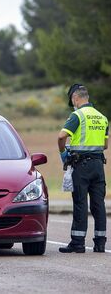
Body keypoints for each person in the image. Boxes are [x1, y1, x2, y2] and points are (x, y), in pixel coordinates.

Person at [58, 83, 108, 253]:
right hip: (98, 165)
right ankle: (100, 243)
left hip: (81, 165)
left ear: (75, 98)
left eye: (72, 100)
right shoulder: (102, 117)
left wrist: (64, 153)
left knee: (80, 202)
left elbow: (61, 136)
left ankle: (78, 243)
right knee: (98, 204)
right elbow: (105, 144)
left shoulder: (77, 115)